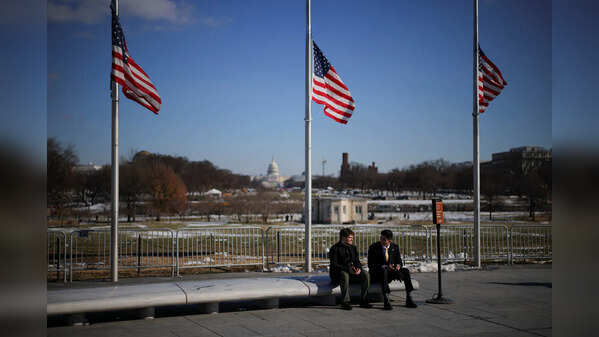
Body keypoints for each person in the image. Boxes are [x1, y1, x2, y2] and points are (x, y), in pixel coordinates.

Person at [368, 229, 417, 310]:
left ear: (389, 240)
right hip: (379, 272)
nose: (381, 240)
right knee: (384, 271)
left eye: (384, 239)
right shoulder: (373, 247)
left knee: (405, 271)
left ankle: (409, 297)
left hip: (392, 271)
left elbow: (399, 262)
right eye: (381, 238)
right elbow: (371, 264)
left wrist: (398, 265)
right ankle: (386, 299)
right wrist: (384, 266)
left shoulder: (394, 247)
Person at [329, 228, 372, 310]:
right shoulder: (335, 248)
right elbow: (334, 265)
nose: (352, 239)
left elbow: (357, 261)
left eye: (352, 237)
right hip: (338, 274)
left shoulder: (353, 247)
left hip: (351, 273)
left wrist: (358, 268)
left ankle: (364, 299)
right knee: (344, 274)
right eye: (350, 237)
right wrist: (348, 269)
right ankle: (345, 302)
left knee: (365, 274)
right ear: (343, 237)